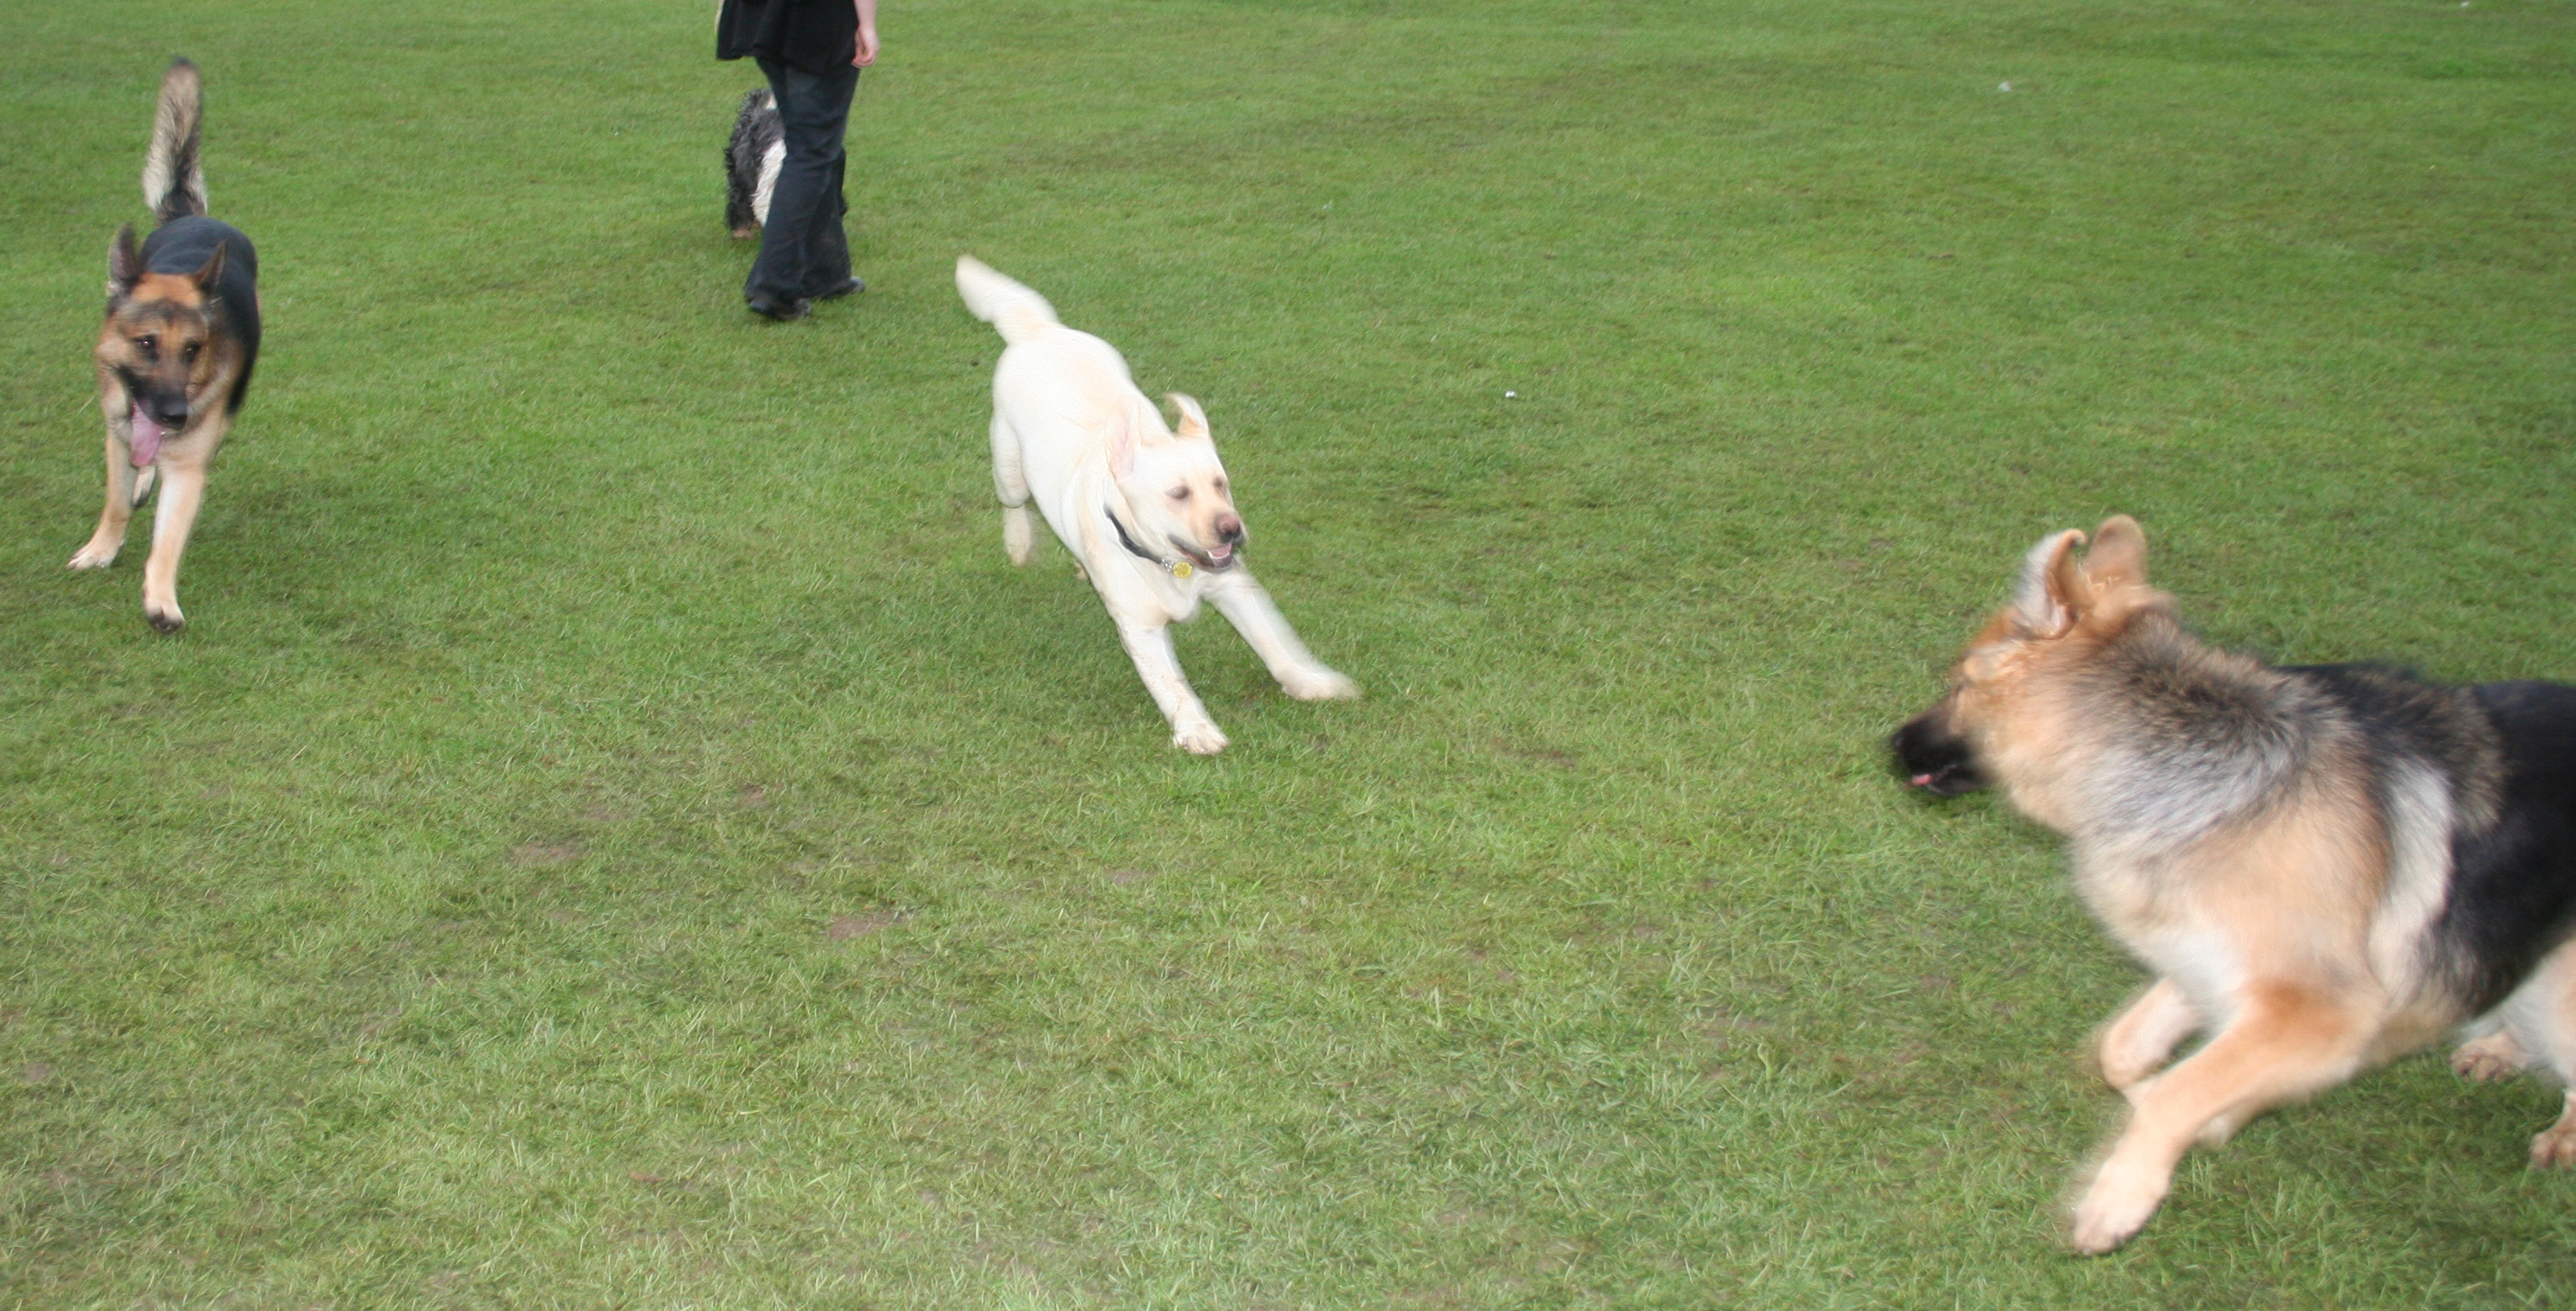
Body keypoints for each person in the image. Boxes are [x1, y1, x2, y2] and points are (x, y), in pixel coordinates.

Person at [717, 0, 881, 321]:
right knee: (812, 151)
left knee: (810, 144)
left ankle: (826, 272)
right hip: (816, 18)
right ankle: (774, 287)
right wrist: (867, 24)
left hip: (764, 15)